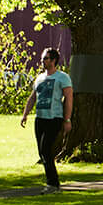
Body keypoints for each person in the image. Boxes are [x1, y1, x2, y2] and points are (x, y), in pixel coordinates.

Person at [22, 49, 73, 191]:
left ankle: (52, 183)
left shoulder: (63, 77)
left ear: (54, 60)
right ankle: (52, 182)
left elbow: (69, 99)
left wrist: (67, 119)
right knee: (41, 151)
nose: (44, 61)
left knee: (46, 149)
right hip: (40, 118)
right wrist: (25, 114)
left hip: (54, 118)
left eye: (47, 58)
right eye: (43, 58)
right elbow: (33, 97)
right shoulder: (39, 78)